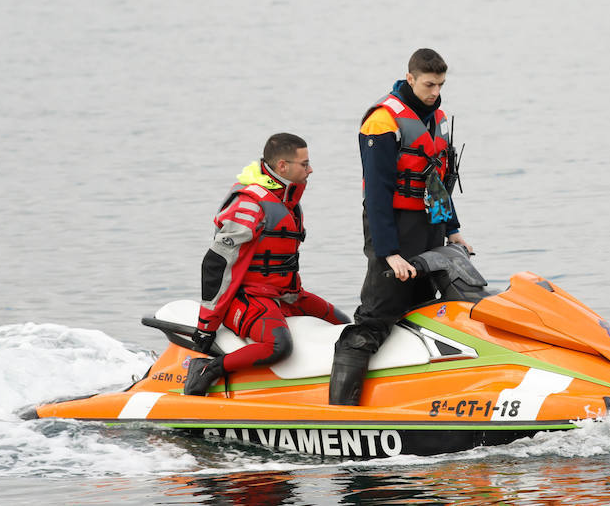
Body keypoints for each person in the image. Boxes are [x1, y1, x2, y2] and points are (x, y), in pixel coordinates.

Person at [329, 48, 474, 406]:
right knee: (375, 319)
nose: (435, 92)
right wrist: (389, 252)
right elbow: (376, 196)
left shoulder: (436, 118)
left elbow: (439, 179)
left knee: (426, 310)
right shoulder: (382, 121)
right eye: (428, 84)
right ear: (410, 78)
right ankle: (340, 408)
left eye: (440, 84)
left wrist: (452, 229)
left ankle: (414, 396)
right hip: (393, 225)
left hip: (430, 226)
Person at [184, 132, 349, 396]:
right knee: (279, 346)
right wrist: (206, 327)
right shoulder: (250, 205)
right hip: (247, 297)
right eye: (304, 164)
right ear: (282, 166)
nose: (311, 169)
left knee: (345, 327)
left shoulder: (288, 200)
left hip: (285, 295)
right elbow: (216, 266)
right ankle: (209, 369)